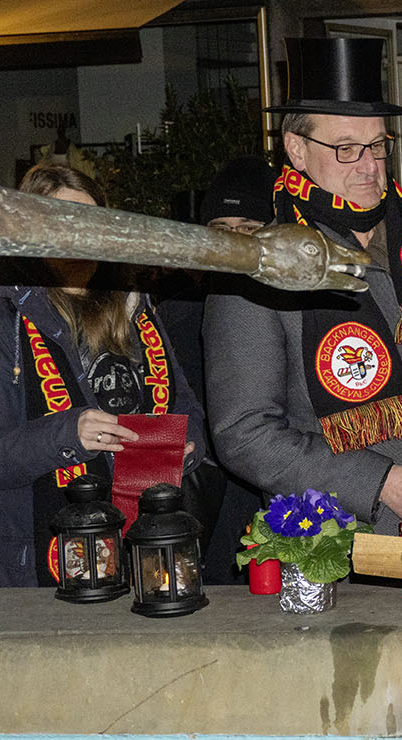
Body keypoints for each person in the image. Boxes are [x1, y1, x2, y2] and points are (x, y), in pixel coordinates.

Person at [204, 37, 402, 532]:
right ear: (297, 149)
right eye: (346, 149)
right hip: (343, 541)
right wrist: (381, 484)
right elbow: (244, 433)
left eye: (377, 145)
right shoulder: (257, 266)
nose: (370, 166)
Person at [0, 163, 206, 586]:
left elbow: (188, 411)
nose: (78, 237)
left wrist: (186, 446)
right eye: (61, 222)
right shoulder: (1, 315)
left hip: (147, 550)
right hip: (47, 560)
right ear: (29, 230)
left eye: (89, 222)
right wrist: (68, 434)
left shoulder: (134, 306)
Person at [158, 156, 274, 584]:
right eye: (222, 230)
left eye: (249, 228)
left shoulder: (300, 312)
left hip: (280, 497)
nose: (234, 242)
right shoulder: (175, 315)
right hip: (204, 496)